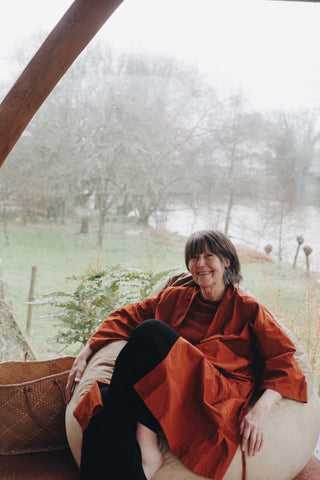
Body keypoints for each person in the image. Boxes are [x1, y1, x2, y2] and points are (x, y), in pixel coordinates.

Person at [66, 230, 307, 480]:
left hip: (213, 397)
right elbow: (125, 317)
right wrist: (87, 351)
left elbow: (286, 363)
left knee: (151, 332)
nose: (200, 263)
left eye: (208, 255)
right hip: (170, 393)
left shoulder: (249, 309)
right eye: (194, 257)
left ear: (227, 261)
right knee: (100, 404)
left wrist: (262, 409)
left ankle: (146, 442)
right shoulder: (176, 297)